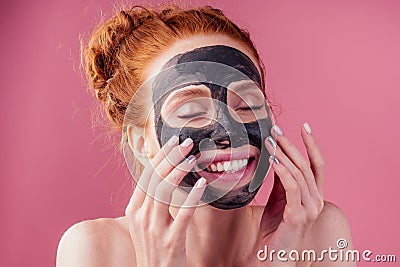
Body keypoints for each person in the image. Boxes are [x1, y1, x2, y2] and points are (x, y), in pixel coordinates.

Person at [56, 4, 355, 266]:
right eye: (191, 112)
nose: (230, 131)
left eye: (248, 105)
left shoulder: (316, 233)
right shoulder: (94, 250)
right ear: (139, 143)